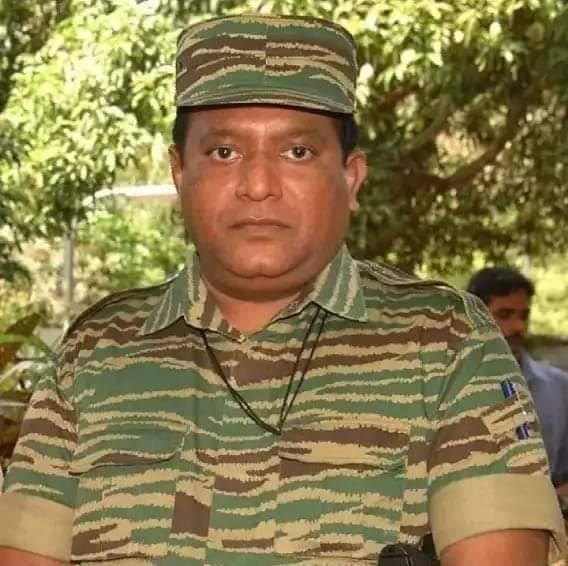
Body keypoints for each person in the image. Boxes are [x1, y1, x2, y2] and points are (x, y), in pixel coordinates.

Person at [0, 14, 565, 566]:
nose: (257, 186)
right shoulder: (96, 353)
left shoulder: (445, 342)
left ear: (351, 178)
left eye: (297, 152)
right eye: (224, 152)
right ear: (179, 173)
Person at [467, 267, 568, 493]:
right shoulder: (438, 389)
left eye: (524, 316)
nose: (518, 327)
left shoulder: (559, 388)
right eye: (504, 315)